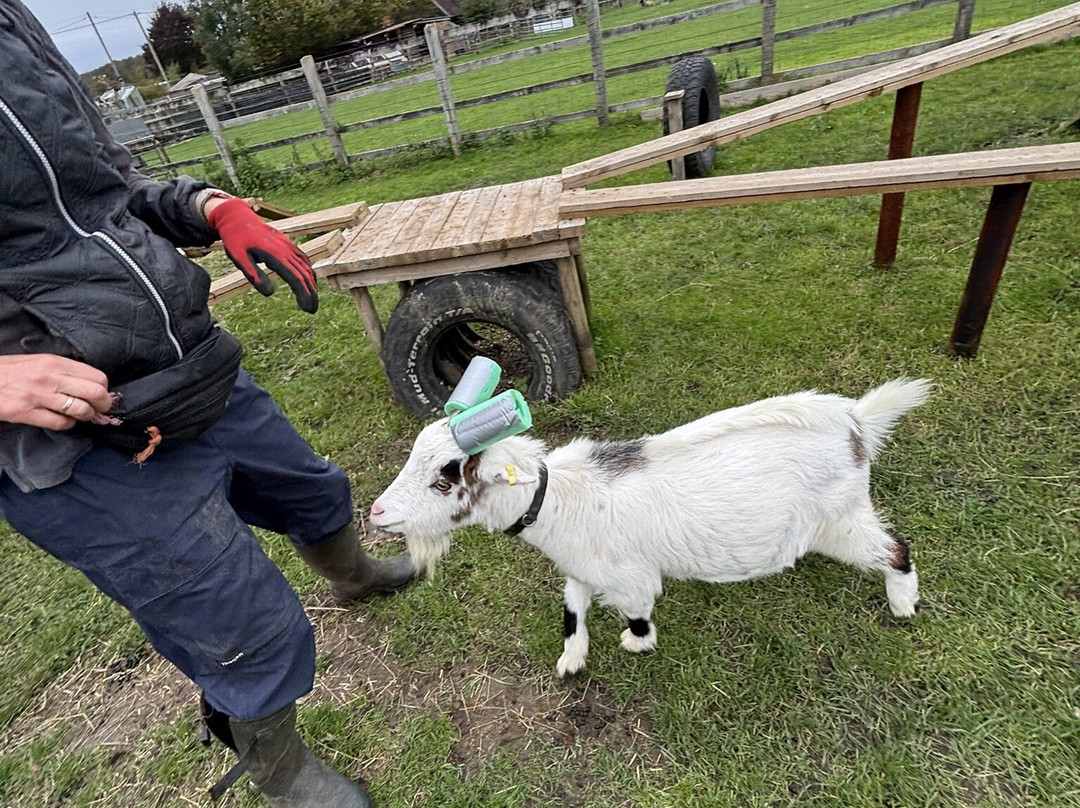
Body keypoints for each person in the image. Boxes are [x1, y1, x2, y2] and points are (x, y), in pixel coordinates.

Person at [0, 2, 414, 805]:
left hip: (184, 359)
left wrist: (210, 208)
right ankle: (281, 770)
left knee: (310, 489)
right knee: (242, 620)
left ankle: (354, 576)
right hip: (73, 439)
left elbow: (106, 190)